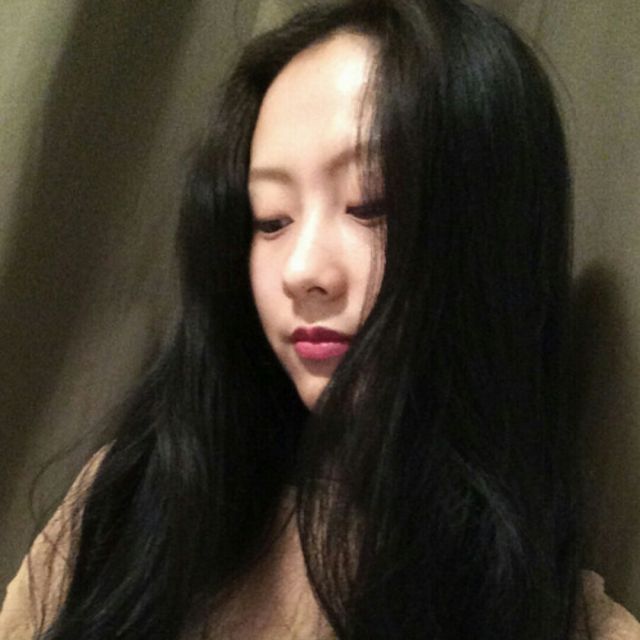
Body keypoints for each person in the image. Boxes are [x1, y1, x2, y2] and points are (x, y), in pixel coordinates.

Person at [1, 0, 639, 638]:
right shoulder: (130, 507)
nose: (301, 270)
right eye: (271, 219)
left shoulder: (558, 619)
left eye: (370, 204)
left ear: (492, 231)